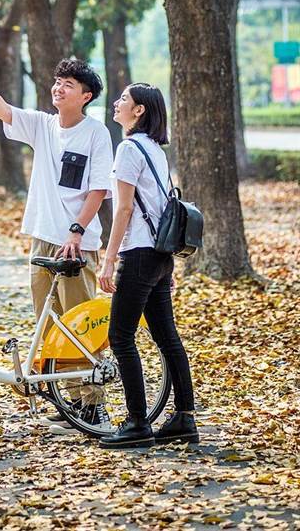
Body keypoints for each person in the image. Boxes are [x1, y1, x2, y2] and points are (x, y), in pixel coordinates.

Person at [0, 53, 113, 433]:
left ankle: (93, 405)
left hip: (77, 244)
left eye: (68, 85)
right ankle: (65, 397)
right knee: (49, 322)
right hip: (42, 240)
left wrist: (76, 231)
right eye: (57, 82)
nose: (58, 89)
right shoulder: (43, 126)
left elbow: (98, 189)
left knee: (80, 323)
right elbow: (4, 111)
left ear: (86, 96)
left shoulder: (95, 133)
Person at [98, 83, 198, 449]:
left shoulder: (128, 148)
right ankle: (184, 418)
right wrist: (166, 269)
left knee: (121, 337)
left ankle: (137, 422)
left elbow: (124, 209)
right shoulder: (155, 150)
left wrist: (109, 259)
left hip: (138, 253)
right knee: (167, 336)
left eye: (123, 99)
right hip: (160, 255)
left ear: (138, 111)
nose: (117, 103)